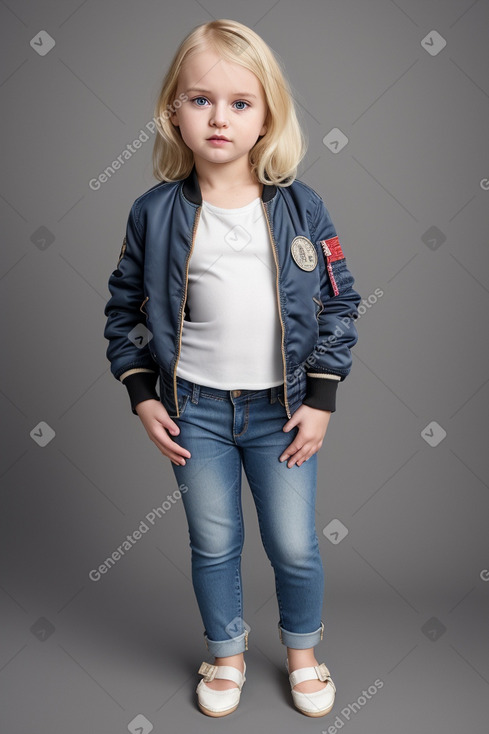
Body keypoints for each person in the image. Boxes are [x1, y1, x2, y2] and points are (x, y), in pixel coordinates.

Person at [103, 18, 361, 719]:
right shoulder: (153, 214)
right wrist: (140, 393)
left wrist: (321, 397)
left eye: (240, 103)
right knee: (213, 541)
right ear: (173, 113)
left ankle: (304, 653)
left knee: (293, 545)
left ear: (266, 115)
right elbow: (123, 309)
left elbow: (341, 305)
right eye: (200, 100)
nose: (220, 117)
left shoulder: (300, 206)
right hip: (196, 411)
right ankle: (225, 653)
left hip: (282, 410)